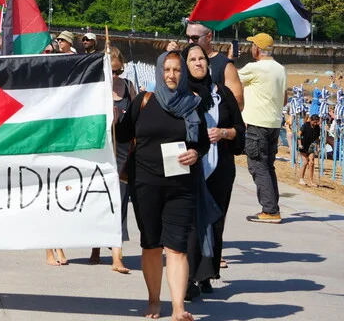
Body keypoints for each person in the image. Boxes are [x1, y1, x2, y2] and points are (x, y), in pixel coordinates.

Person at [116, 51, 212, 321]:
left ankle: (179, 308)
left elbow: (202, 142)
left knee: (177, 247)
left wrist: (196, 153)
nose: (171, 75)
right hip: (145, 184)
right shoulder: (144, 101)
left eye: (177, 70)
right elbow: (122, 135)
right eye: (167, 70)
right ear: (159, 72)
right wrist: (114, 118)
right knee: (151, 245)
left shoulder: (192, 104)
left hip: (181, 185)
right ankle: (154, 300)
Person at [183, 44, 244, 301]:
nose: (198, 63)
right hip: (190, 165)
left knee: (215, 221)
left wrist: (224, 132)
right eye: (192, 59)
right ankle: (188, 277)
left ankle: (206, 274)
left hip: (220, 167)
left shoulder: (223, 93)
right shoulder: (180, 94)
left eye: (202, 59)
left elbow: (239, 129)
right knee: (190, 222)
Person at [86, 47, 136, 274]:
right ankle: (96, 246)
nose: (115, 76)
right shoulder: (96, 88)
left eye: (118, 71)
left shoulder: (128, 87)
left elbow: (135, 118)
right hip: (102, 151)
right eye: (111, 71)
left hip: (124, 152)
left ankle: (117, 256)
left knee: (120, 201)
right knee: (100, 200)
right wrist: (108, 121)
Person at [238, 33, 287, 223]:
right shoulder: (281, 69)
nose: (251, 49)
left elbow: (230, 79)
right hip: (274, 123)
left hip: (257, 123)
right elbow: (284, 99)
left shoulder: (254, 68)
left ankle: (270, 210)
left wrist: (229, 60)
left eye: (252, 45)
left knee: (258, 166)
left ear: (257, 49)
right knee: (268, 167)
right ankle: (273, 207)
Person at [182, 23, 244, 111]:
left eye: (195, 38)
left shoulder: (225, 65)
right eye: (187, 37)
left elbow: (239, 103)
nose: (190, 42)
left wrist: (210, 99)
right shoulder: (182, 60)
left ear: (209, 37)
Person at [297, 115, 322, 186]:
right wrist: (300, 144)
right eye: (314, 122)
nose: (315, 124)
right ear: (310, 120)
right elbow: (299, 134)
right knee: (305, 162)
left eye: (317, 122)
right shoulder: (305, 125)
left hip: (310, 145)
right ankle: (301, 179)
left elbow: (317, 138)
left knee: (311, 163)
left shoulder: (317, 128)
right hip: (303, 144)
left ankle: (311, 181)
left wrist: (318, 147)